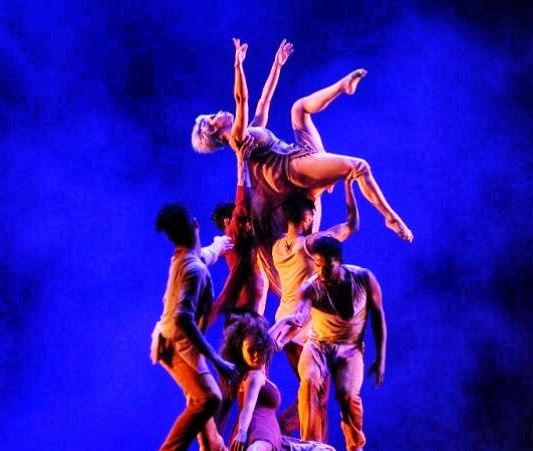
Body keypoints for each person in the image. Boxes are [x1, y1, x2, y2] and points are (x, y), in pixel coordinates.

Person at [191, 39, 412, 291]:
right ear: (213, 132)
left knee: (298, 109)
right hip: (293, 168)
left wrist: (277, 65)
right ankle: (390, 218)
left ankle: (343, 87)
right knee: (359, 166)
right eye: (213, 117)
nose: (219, 112)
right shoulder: (238, 140)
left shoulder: (250, 130)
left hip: (300, 152)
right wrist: (238, 65)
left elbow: (263, 102)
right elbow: (242, 99)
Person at [270, 236, 387, 451]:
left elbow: (378, 318)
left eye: (328, 266)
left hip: (350, 349)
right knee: (309, 384)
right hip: (318, 345)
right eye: (318, 265)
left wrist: (380, 359)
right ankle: (311, 444)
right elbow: (298, 317)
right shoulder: (310, 287)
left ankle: (355, 447)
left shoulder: (364, 279)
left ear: (339, 262)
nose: (322, 272)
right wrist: (277, 336)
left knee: (347, 395)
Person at [272, 177, 359, 435]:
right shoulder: (310, 244)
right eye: (311, 214)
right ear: (305, 217)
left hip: (284, 323)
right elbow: (351, 225)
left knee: (309, 389)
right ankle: (294, 434)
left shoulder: (277, 247)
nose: (313, 218)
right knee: (318, 392)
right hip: (304, 328)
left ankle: (289, 432)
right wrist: (349, 188)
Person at [149, 202, 238, 450]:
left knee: (198, 398)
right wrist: (217, 361)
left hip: (175, 341)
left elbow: (202, 255)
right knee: (209, 398)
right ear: (195, 224)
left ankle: (210, 446)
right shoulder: (194, 270)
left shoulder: (184, 257)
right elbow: (183, 319)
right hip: (175, 345)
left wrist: (220, 245)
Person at [220, 313, 335, 451]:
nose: (256, 355)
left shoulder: (259, 366)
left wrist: (285, 320)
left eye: (259, 348)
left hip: (272, 435)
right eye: (251, 350)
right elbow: (248, 406)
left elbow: (268, 340)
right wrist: (242, 432)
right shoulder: (254, 376)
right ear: (240, 351)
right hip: (259, 433)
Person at [208, 145, 271, 326]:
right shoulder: (233, 236)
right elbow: (243, 199)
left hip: (249, 315)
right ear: (227, 221)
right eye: (240, 219)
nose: (246, 223)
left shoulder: (245, 242)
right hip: (243, 314)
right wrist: (242, 160)